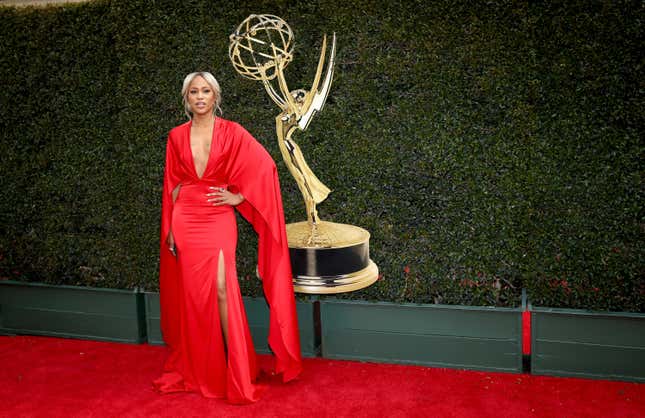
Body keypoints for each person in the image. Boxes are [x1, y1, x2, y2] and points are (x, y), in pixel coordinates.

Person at [153, 71, 302, 404]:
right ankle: (206, 368)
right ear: (186, 98)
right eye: (194, 92)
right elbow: (171, 185)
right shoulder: (176, 136)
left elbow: (264, 167)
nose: (201, 97)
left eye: (206, 91)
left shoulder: (232, 132)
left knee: (222, 289)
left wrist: (240, 198)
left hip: (218, 218)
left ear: (215, 97)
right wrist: (171, 229)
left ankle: (235, 365)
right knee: (194, 296)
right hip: (187, 217)